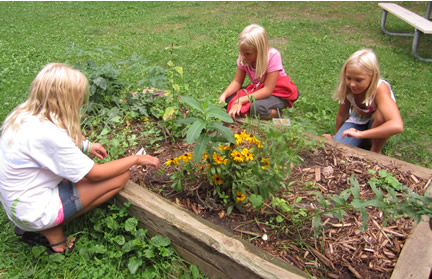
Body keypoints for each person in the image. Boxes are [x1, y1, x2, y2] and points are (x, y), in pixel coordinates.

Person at [0, 63, 160, 254]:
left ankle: (42, 224)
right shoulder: (49, 135)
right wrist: (134, 159)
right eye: (78, 97)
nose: (81, 102)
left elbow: (61, 140)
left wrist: (86, 146)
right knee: (120, 177)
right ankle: (50, 230)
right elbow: (96, 174)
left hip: (19, 203)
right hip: (35, 211)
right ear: (66, 100)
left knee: (80, 169)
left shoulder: (25, 114)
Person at [322, 49, 403, 153]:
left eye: (358, 80)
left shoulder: (380, 89)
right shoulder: (347, 87)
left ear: (373, 76)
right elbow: (342, 114)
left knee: (382, 115)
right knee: (339, 148)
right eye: (348, 78)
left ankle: (375, 150)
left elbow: (397, 125)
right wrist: (337, 137)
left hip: (376, 124)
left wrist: (360, 134)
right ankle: (363, 140)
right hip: (357, 121)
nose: (352, 84)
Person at [218, 24, 299, 120]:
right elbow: (237, 82)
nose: (243, 56)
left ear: (260, 50)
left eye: (248, 54)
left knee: (256, 108)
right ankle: (248, 111)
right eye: (242, 52)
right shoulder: (244, 57)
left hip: (278, 93)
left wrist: (241, 100)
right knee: (228, 100)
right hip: (259, 89)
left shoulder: (273, 56)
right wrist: (223, 95)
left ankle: (276, 113)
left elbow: (268, 90)